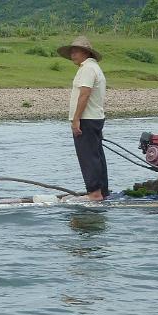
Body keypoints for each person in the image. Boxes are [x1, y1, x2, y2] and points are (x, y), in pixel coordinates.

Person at [57, 36, 108, 201]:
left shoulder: (87, 69)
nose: (72, 54)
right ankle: (102, 190)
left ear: (85, 52)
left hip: (86, 119)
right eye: (71, 51)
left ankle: (94, 192)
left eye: (76, 51)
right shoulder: (94, 67)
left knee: (87, 155)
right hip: (95, 117)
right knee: (96, 154)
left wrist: (76, 119)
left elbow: (84, 94)